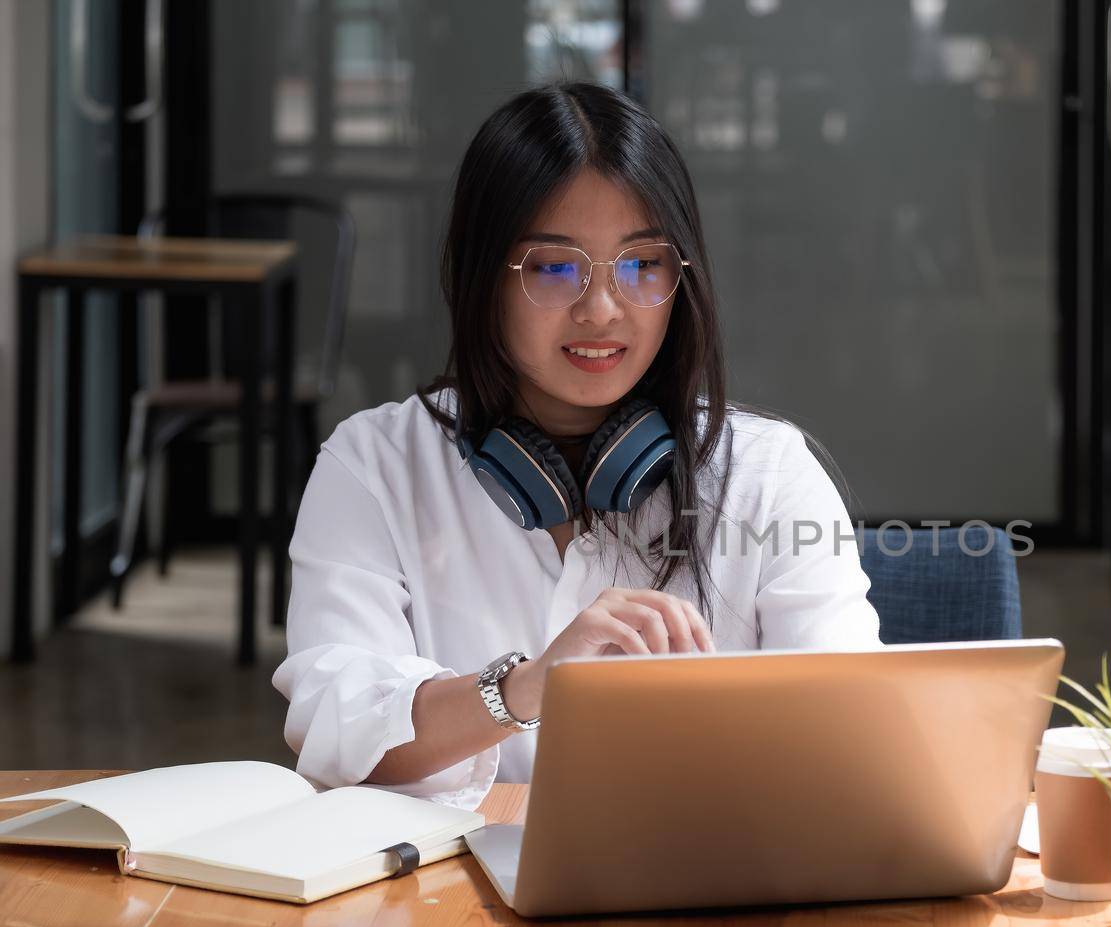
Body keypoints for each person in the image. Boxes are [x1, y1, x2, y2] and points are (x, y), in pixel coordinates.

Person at [272, 83, 882, 810]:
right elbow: (331, 726)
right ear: (481, 276)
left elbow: (856, 732)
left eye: (642, 265)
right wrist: (527, 687)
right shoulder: (372, 465)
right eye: (554, 267)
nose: (601, 309)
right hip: (445, 901)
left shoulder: (767, 472)